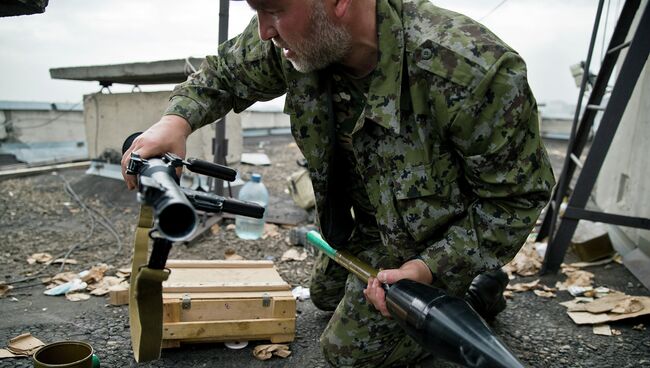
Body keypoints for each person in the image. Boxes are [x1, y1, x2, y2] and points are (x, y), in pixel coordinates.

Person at [121, 0, 556, 366]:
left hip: (437, 240)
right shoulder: (299, 37)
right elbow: (225, 75)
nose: (265, 31)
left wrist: (429, 269)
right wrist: (174, 122)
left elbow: (516, 199)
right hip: (369, 227)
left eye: (272, 10)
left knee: (346, 352)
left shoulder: (469, 70)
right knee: (324, 294)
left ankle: (475, 290)